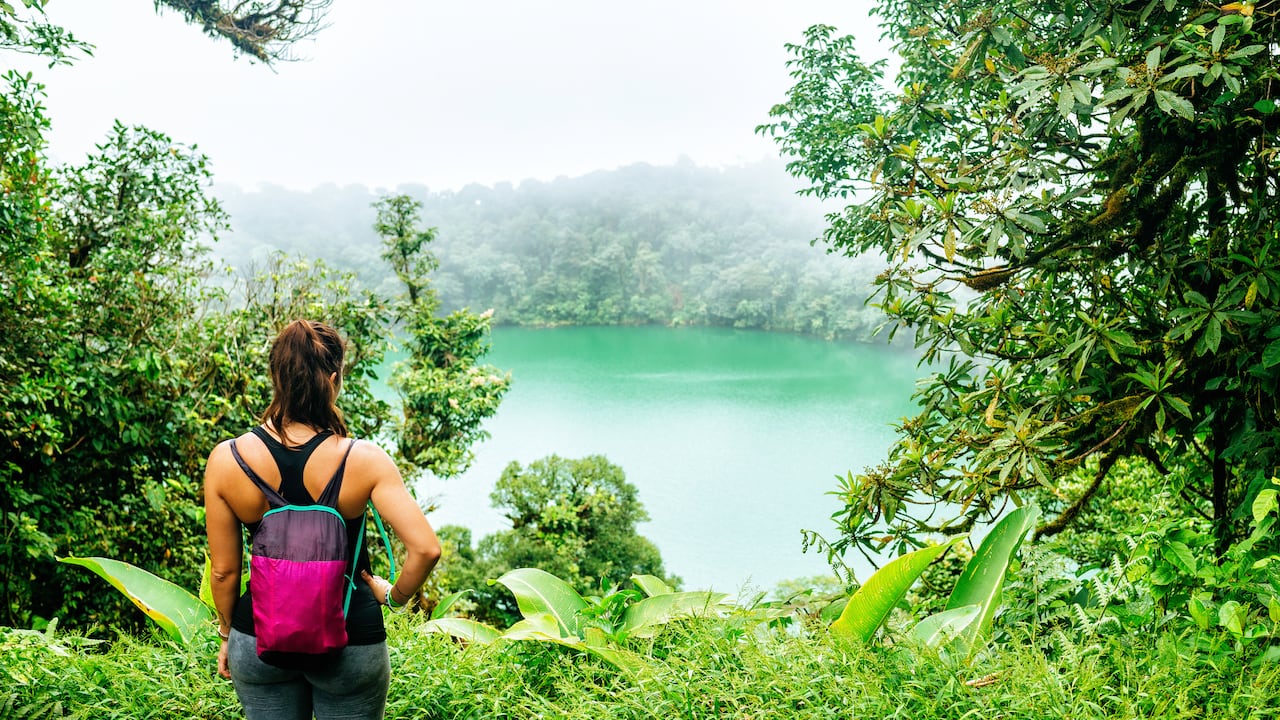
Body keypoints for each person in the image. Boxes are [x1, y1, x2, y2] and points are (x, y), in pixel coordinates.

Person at [204, 319, 441, 719]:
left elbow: (225, 572)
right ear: (333, 379)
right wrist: (393, 597)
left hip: (259, 636)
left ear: (276, 376)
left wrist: (228, 633)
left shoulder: (228, 459)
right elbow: (426, 549)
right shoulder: (364, 459)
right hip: (352, 639)